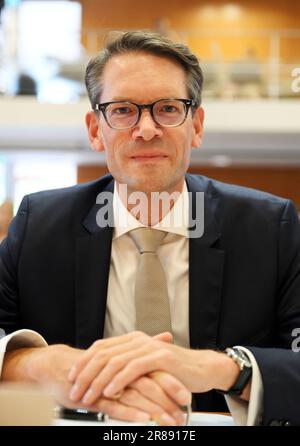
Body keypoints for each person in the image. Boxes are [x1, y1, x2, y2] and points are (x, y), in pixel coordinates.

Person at [0, 31, 300, 427]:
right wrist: (39, 362)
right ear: (94, 129)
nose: (146, 129)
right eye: (123, 110)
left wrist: (224, 368)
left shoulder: (271, 228)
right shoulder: (39, 225)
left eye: (168, 108)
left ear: (196, 125)